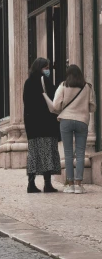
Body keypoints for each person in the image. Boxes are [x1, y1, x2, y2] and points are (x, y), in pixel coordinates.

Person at [53, 64, 97, 194]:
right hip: (82, 121)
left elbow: (56, 105)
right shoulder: (87, 87)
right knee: (81, 152)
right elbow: (93, 107)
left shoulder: (63, 86)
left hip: (66, 120)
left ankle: (70, 184)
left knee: (67, 153)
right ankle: (79, 184)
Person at [23, 58, 61, 193]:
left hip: (32, 125)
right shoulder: (44, 80)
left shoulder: (28, 82)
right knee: (47, 153)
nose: (48, 70)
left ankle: (31, 183)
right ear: (40, 68)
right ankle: (47, 184)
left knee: (33, 154)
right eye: (46, 67)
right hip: (45, 124)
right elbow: (54, 98)